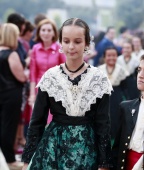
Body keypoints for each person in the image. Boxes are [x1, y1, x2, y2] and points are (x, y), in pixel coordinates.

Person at [22, 18, 113, 170]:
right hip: (53, 149)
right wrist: (26, 160)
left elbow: (103, 123)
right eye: (66, 41)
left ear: (86, 43)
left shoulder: (99, 78)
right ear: (61, 43)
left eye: (77, 41)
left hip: (87, 149)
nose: (71, 46)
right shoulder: (50, 77)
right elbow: (37, 121)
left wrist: (104, 163)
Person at [0, 23, 27, 170]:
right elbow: (21, 77)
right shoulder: (12, 54)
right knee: (8, 127)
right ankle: (9, 159)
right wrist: (26, 75)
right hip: (11, 94)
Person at [28, 19, 66, 123]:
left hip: (56, 89)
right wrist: (32, 94)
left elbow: (65, 70)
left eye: (49, 30)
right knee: (38, 121)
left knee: (52, 121)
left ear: (54, 32)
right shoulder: (35, 49)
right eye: (43, 30)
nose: (46, 33)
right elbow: (32, 73)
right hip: (39, 89)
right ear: (39, 32)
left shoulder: (59, 48)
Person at [98, 47, 129, 141]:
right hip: (102, 98)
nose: (111, 57)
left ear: (117, 56)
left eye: (114, 55)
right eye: (109, 55)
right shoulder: (99, 70)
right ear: (104, 57)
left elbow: (125, 88)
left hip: (117, 98)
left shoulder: (122, 70)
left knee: (116, 119)